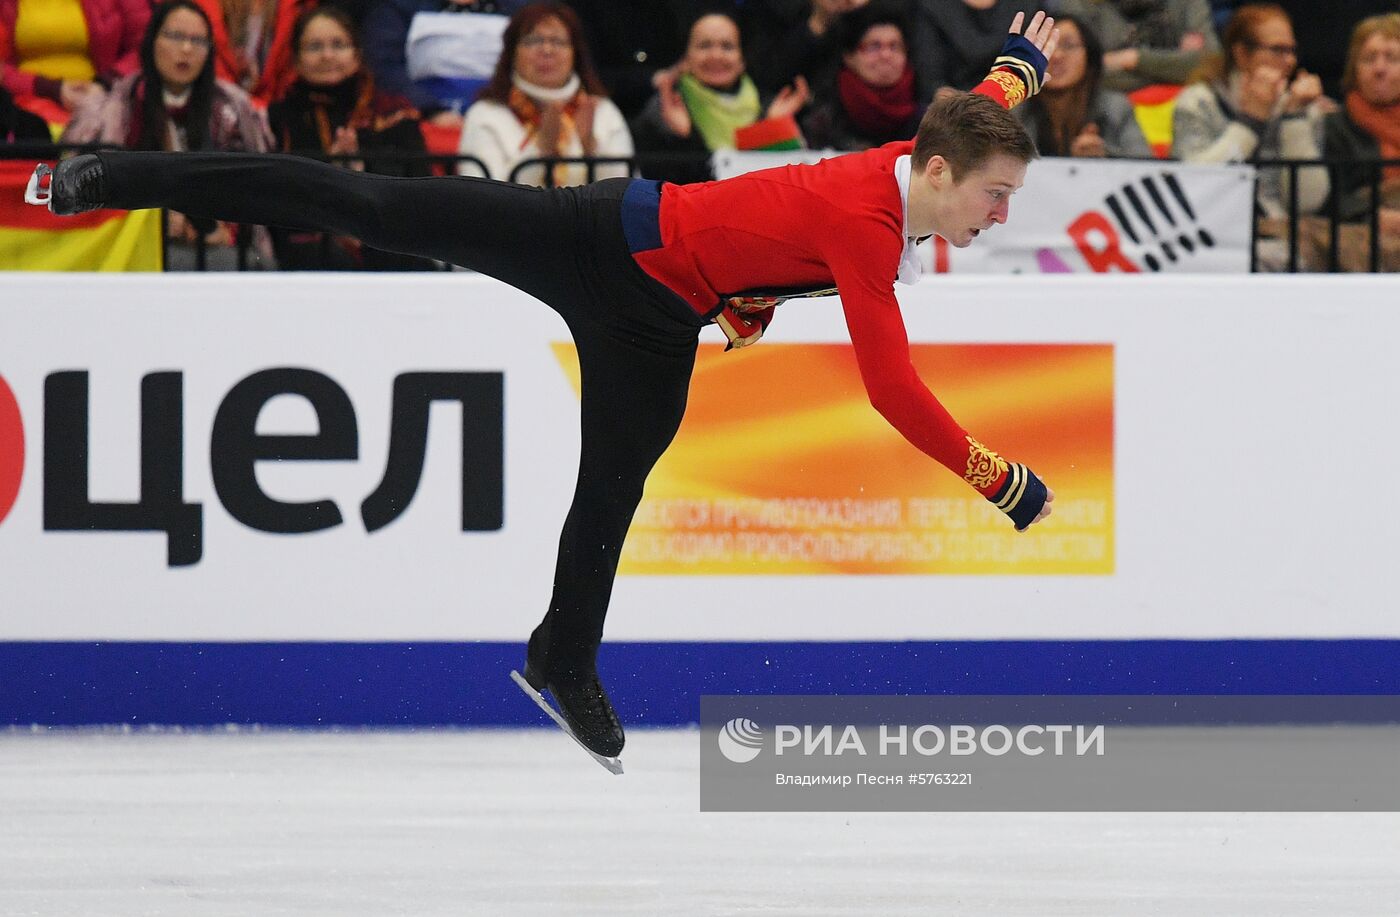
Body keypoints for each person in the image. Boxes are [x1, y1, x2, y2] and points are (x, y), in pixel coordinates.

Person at [26, 12, 1060, 764]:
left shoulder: (932, 165)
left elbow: (986, 114)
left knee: (611, 493)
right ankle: (106, 176)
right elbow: (889, 389)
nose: (999, 215)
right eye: (994, 196)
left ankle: (564, 660)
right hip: (597, 236)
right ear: (931, 173)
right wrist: (997, 477)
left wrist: (1016, 63)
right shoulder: (868, 225)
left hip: (658, 320)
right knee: (368, 204)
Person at [62, 0, 272, 270]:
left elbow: (250, 188)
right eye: (175, 37)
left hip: (217, 247)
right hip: (132, 247)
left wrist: (225, 229)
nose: (186, 49)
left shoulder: (232, 109)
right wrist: (154, 219)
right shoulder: (114, 110)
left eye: (198, 40)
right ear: (152, 42)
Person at [269, 5, 435, 269]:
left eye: (339, 44)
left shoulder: (395, 114)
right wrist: (330, 172)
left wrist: (360, 170)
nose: (327, 55)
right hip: (311, 250)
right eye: (314, 47)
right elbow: (279, 200)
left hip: (389, 244)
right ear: (297, 59)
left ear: (358, 53)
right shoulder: (280, 117)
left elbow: (418, 193)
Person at [1172, 3, 1328, 269]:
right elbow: (1195, 186)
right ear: (1242, 54)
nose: (1289, 61)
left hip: (1284, 236)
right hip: (1210, 231)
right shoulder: (1198, 103)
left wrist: (1294, 120)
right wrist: (1250, 123)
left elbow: (1309, 201)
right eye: (1278, 50)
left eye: (1292, 51)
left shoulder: (1302, 108)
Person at [457, 1, 631, 187]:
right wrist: (541, 151)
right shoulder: (486, 113)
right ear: (512, 52)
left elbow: (626, 195)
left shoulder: (601, 111)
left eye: (558, 41)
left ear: (576, 53)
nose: (547, 51)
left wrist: (591, 150)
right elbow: (481, 201)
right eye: (533, 41)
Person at [631, 11, 810, 182]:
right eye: (704, 45)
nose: (716, 56)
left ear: (742, 59)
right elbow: (658, 186)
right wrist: (684, 137)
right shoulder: (665, 106)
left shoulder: (767, 105)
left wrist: (773, 129)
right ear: (685, 58)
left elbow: (782, 180)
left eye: (727, 46)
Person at [362, 0, 528, 130]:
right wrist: (431, 111)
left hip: (505, 115)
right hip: (421, 119)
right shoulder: (397, 7)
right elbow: (386, 65)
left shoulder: (523, 8)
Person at [1321, 13, 1400, 271]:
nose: (1379, 69)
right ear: (1354, 69)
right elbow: (1327, 200)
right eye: (1368, 59)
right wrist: (1373, 217)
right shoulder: (1334, 127)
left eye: (1392, 58)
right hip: (1360, 247)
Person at [1016, 13, 1152, 157]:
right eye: (1044, 47)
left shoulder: (1115, 107)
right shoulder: (1012, 111)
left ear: (1090, 58)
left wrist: (1105, 156)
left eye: (1068, 46)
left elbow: (1145, 165)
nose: (1056, 56)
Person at [801, 4, 922, 152]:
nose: (886, 55)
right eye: (873, 47)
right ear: (849, 57)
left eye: (895, 46)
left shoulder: (924, 109)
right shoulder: (824, 113)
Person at [0, 0, 150, 119]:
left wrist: (104, 84)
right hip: (21, 101)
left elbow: (146, 48)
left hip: (104, 98)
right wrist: (52, 89)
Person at [1056, 0, 1220, 93]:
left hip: (1184, 107)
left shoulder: (1186, 4)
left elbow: (1212, 63)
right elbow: (1085, 73)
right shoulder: (1081, 5)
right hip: (1106, 113)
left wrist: (1133, 59)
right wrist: (1176, 69)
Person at [913, 0, 1039, 104]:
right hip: (956, 106)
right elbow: (931, 76)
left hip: (1017, 95)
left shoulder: (1028, 4)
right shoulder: (932, 6)